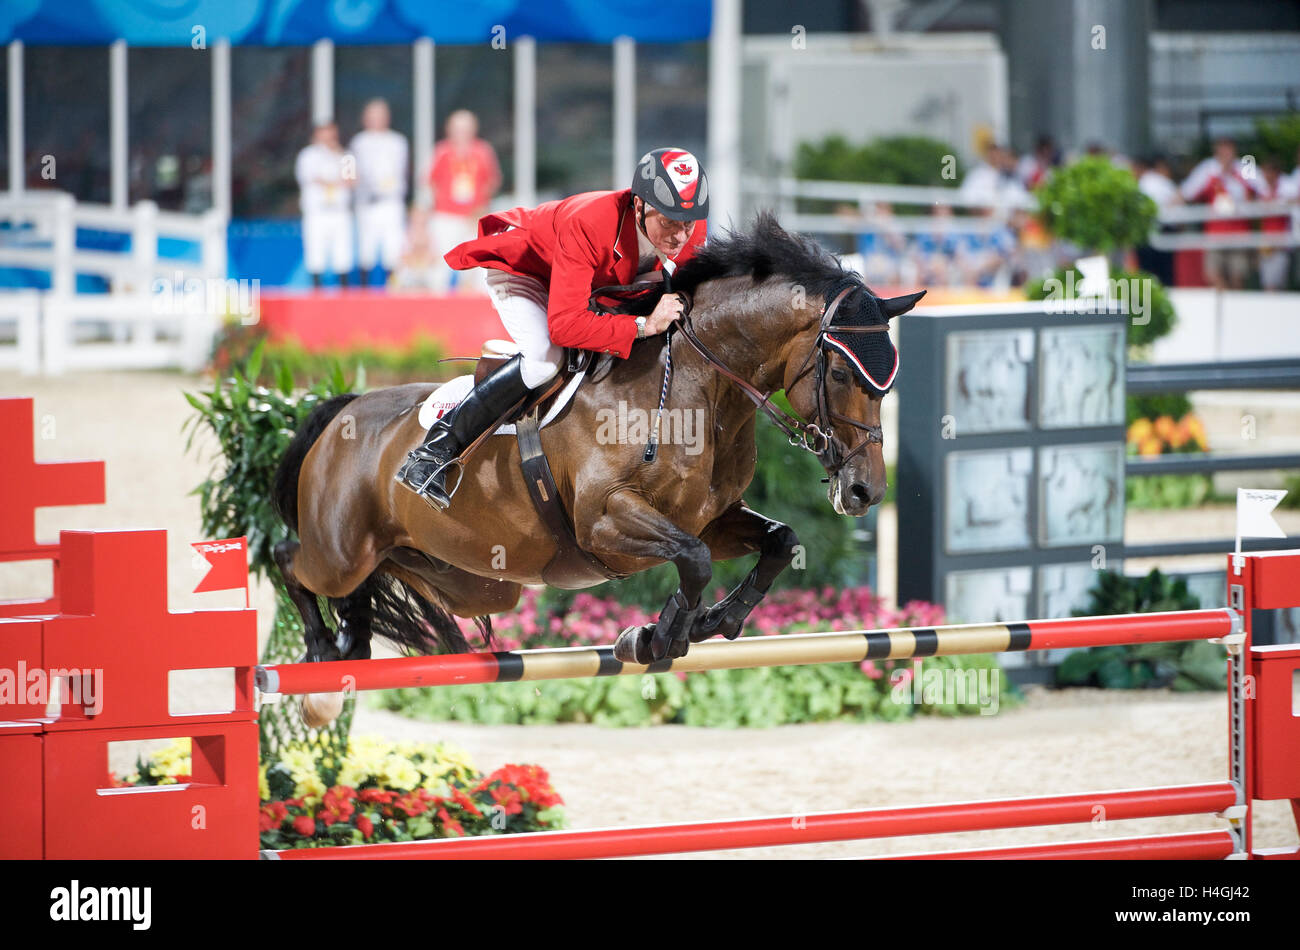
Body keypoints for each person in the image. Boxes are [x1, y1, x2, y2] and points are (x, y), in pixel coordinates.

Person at [396, 147, 709, 510]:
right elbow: (564, 325)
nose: (679, 235)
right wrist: (642, 325)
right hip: (527, 271)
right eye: (669, 222)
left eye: (687, 223)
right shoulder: (591, 221)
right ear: (639, 206)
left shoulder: (690, 227)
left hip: (586, 286)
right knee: (545, 360)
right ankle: (432, 454)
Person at [428, 110, 501, 293]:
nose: (461, 133)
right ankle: (436, 301)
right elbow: (431, 181)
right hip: (446, 215)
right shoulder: (442, 150)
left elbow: (492, 181)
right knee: (440, 261)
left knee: (477, 264)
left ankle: (475, 304)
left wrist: (480, 208)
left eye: (465, 128)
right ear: (449, 130)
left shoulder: (483, 151)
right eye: (457, 128)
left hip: (473, 216)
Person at [1180, 137, 1259, 290]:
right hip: (1215, 232)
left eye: (1228, 148)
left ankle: (1235, 307)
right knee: (1213, 274)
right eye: (1222, 148)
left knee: (1238, 276)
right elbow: (1188, 192)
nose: (1225, 152)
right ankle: (1225, 304)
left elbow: (1258, 192)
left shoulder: (1245, 166)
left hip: (1239, 233)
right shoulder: (1208, 168)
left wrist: (1232, 176)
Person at [349, 99, 409, 287]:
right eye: (372, 116)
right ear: (365, 118)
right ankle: (364, 291)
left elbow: (403, 170)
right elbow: (348, 166)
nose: (376, 120)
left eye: (380, 116)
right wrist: (349, 179)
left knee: (393, 247)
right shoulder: (358, 142)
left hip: (390, 201)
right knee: (366, 248)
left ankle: (393, 289)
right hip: (366, 202)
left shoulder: (398, 141)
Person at [295, 120, 355, 288]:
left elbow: (351, 180)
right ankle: (316, 289)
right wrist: (336, 181)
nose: (329, 138)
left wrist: (337, 153)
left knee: (342, 253)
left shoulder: (345, 155)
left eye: (332, 134)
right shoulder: (308, 155)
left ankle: (344, 290)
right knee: (316, 253)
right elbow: (314, 178)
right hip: (318, 211)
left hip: (339, 211)